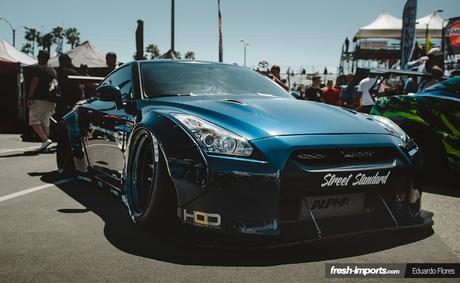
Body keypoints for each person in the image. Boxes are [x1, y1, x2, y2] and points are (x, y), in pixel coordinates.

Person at [26, 50, 57, 152]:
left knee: (34, 120)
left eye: (39, 56)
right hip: (51, 100)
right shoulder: (53, 70)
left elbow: (34, 82)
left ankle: (45, 140)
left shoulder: (38, 69)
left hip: (39, 99)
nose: (37, 57)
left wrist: (29, 97)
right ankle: (45, 145)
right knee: (45, 122)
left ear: (42, 57)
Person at [55, 54, 83, 120]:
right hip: (71, 101)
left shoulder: (55, 71)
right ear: (66, 61)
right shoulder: (71, 72)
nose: (71, 62)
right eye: (69, 61)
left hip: (59, 100)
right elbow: (83, 81)